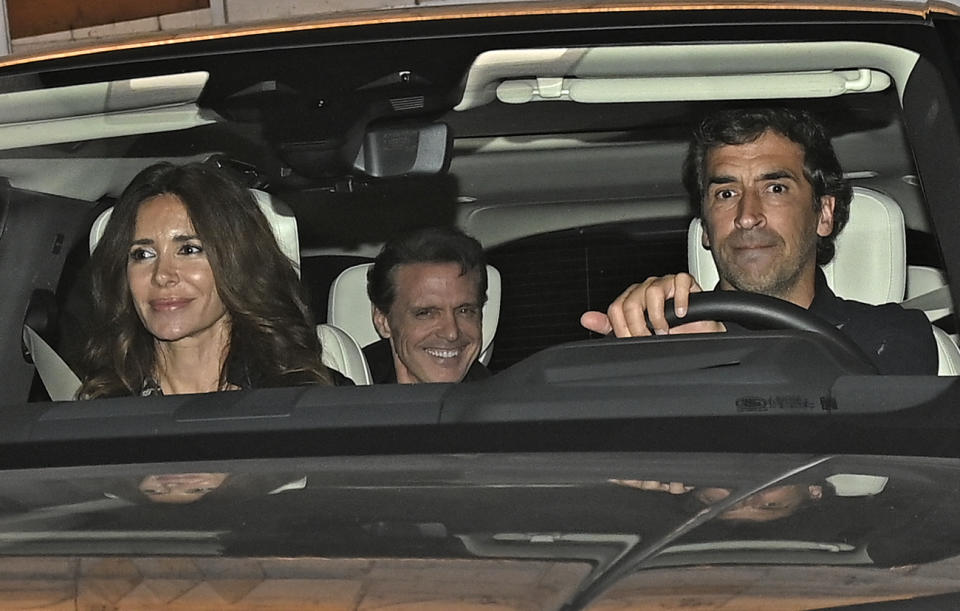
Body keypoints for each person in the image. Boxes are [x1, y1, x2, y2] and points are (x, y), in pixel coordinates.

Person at [581, 107, 937, 375]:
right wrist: (644, 340)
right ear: (705, 227)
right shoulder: (664, 343)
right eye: (725, 193)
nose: (747, 215)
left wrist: (723, 356)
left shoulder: (889, 336)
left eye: (776, 188)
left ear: (824, 215)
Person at [77, 161, 347, 398]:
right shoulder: (100, 414)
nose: (162, 275)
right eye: (143, 254)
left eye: (189, 250)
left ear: (236, 262)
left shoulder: (311, 399)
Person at [365, 226, 491, 384]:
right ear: (383, 321)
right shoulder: (344, 396)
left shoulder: (505, 401)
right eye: (425, 313)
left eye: (464, 311)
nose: (451, 333)